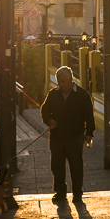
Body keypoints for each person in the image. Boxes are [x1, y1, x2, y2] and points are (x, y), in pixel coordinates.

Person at [41, 66, 95, 204]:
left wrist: (89, 133)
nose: (61, 84)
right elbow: (44, 110)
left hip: (75, 137)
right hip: (57, 137)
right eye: (59, 82)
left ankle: (77, 193)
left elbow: (89, 116)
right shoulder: (53, 94)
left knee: (76, 166)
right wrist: (49, 120)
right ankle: (60, 192)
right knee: (57, 165)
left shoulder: (82, 95)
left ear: (71, 79)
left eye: (64, 81)